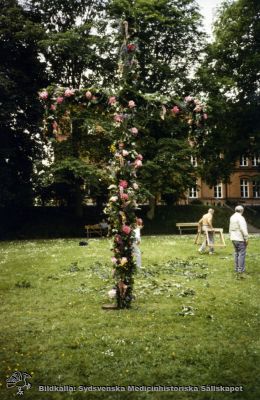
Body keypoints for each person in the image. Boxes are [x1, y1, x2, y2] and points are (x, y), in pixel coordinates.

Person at [229, 205, 249, 276]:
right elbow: (243, 228)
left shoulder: (232, 217)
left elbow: (230, 228)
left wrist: (230, 236)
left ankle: (236, 268)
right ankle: (241, 269)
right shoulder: (241, 218)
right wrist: (246, 238)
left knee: (236, 253)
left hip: (233, 238)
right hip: (240, 238)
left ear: (235, 210)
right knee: (241, 254)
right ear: (242, 211)